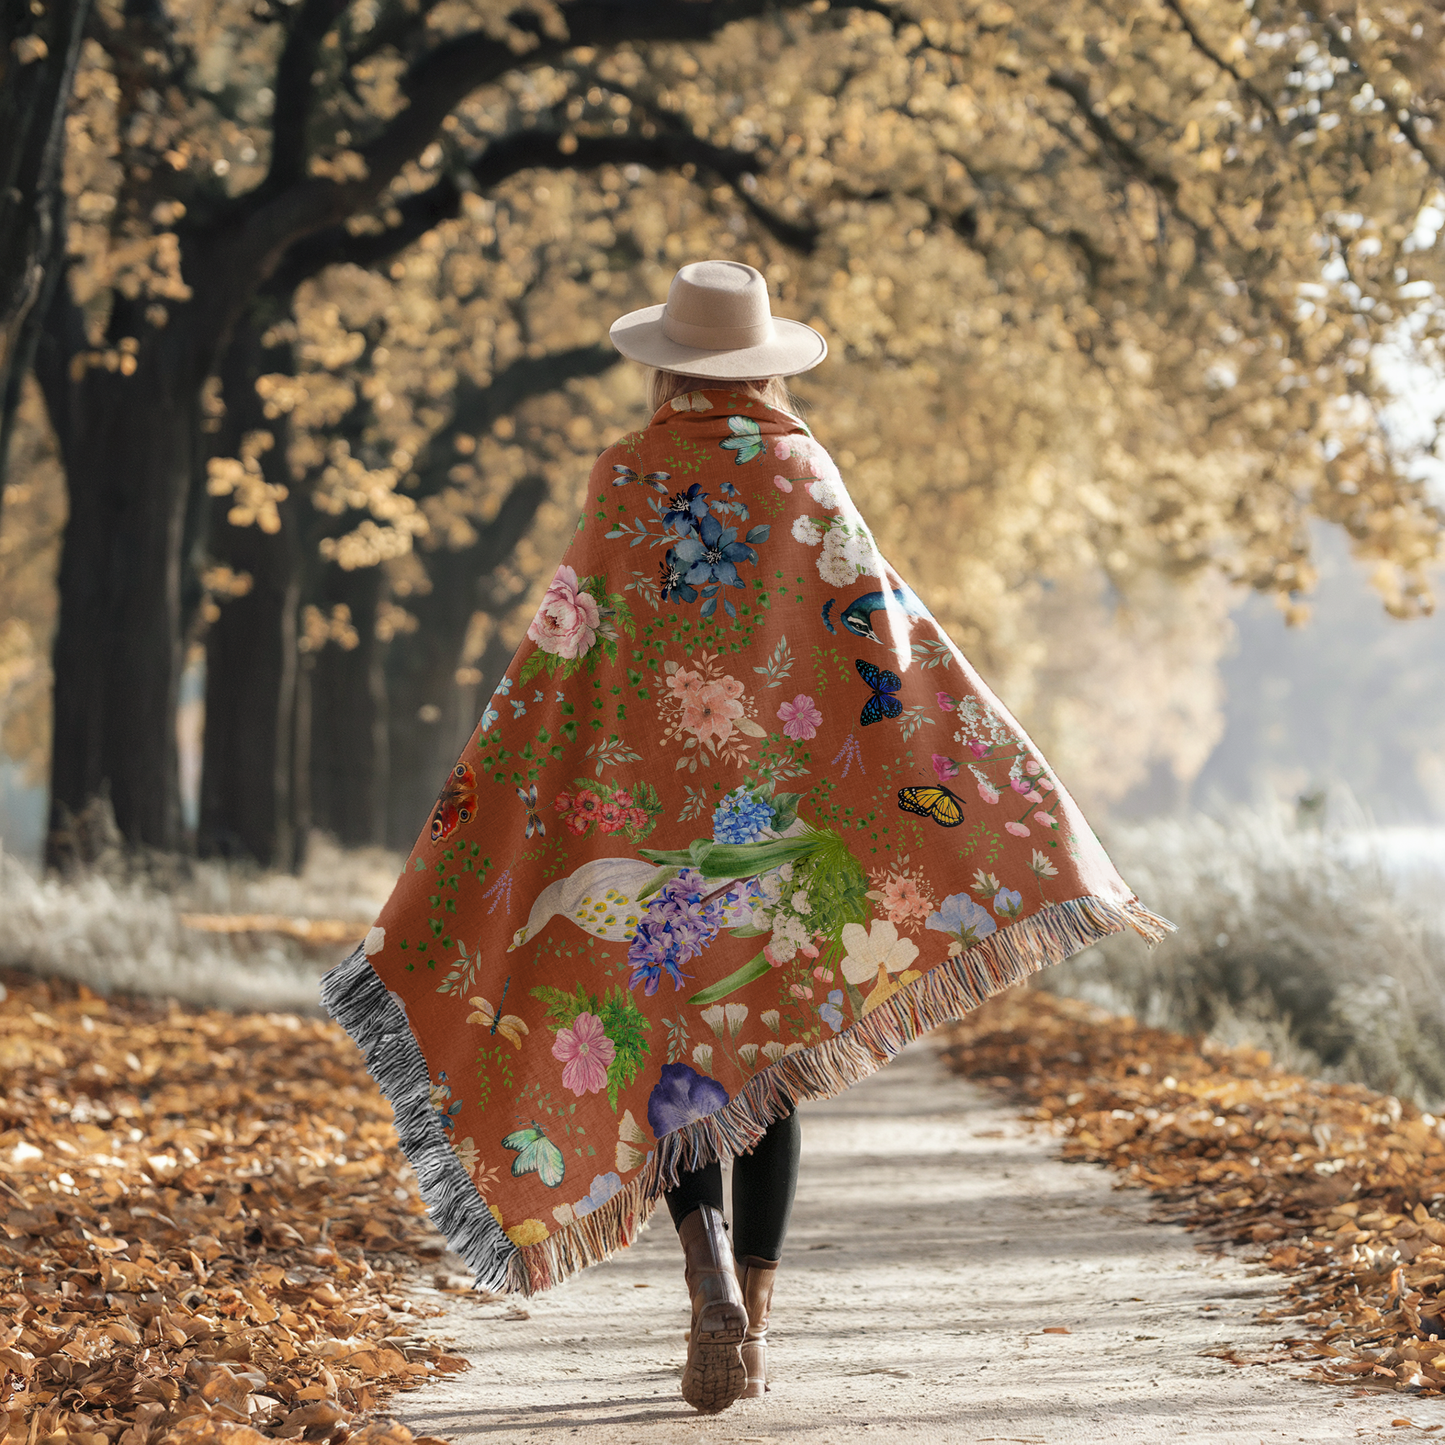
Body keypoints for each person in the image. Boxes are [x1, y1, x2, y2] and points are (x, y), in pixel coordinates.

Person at [323, 260, 1166, 1418]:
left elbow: (570, 644)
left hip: (645, 814)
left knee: (667, 1046)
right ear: (762, 367)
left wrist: (529, 783)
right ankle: (752, 1317)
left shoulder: (623, 475)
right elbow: (881, 642)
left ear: (666, 366)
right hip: (774, 831)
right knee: (763, 1061)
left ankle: (705, 1275)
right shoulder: (804, 470)